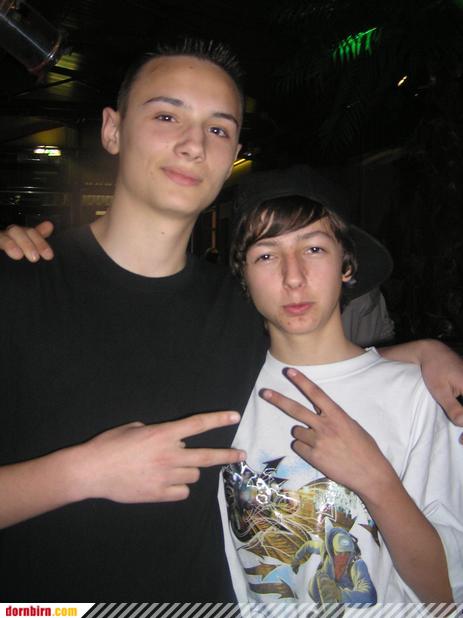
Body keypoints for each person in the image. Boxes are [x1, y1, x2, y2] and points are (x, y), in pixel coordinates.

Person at [0, 41, 462, 601]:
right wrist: (81, 473)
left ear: (233, 154)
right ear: (113, 130)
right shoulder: (16, 282)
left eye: (217, 129)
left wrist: (420, 354)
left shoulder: (238, 309)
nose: (193, 144)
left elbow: (317, 355)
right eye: (167, 116)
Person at [219, 187, 463, 607]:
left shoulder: (419, 396)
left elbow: (445, 594)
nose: (293, 277)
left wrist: (376, 480)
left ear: (346, 266)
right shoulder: (223, 395)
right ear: (245, 276)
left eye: (314, 249)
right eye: (266, 255)